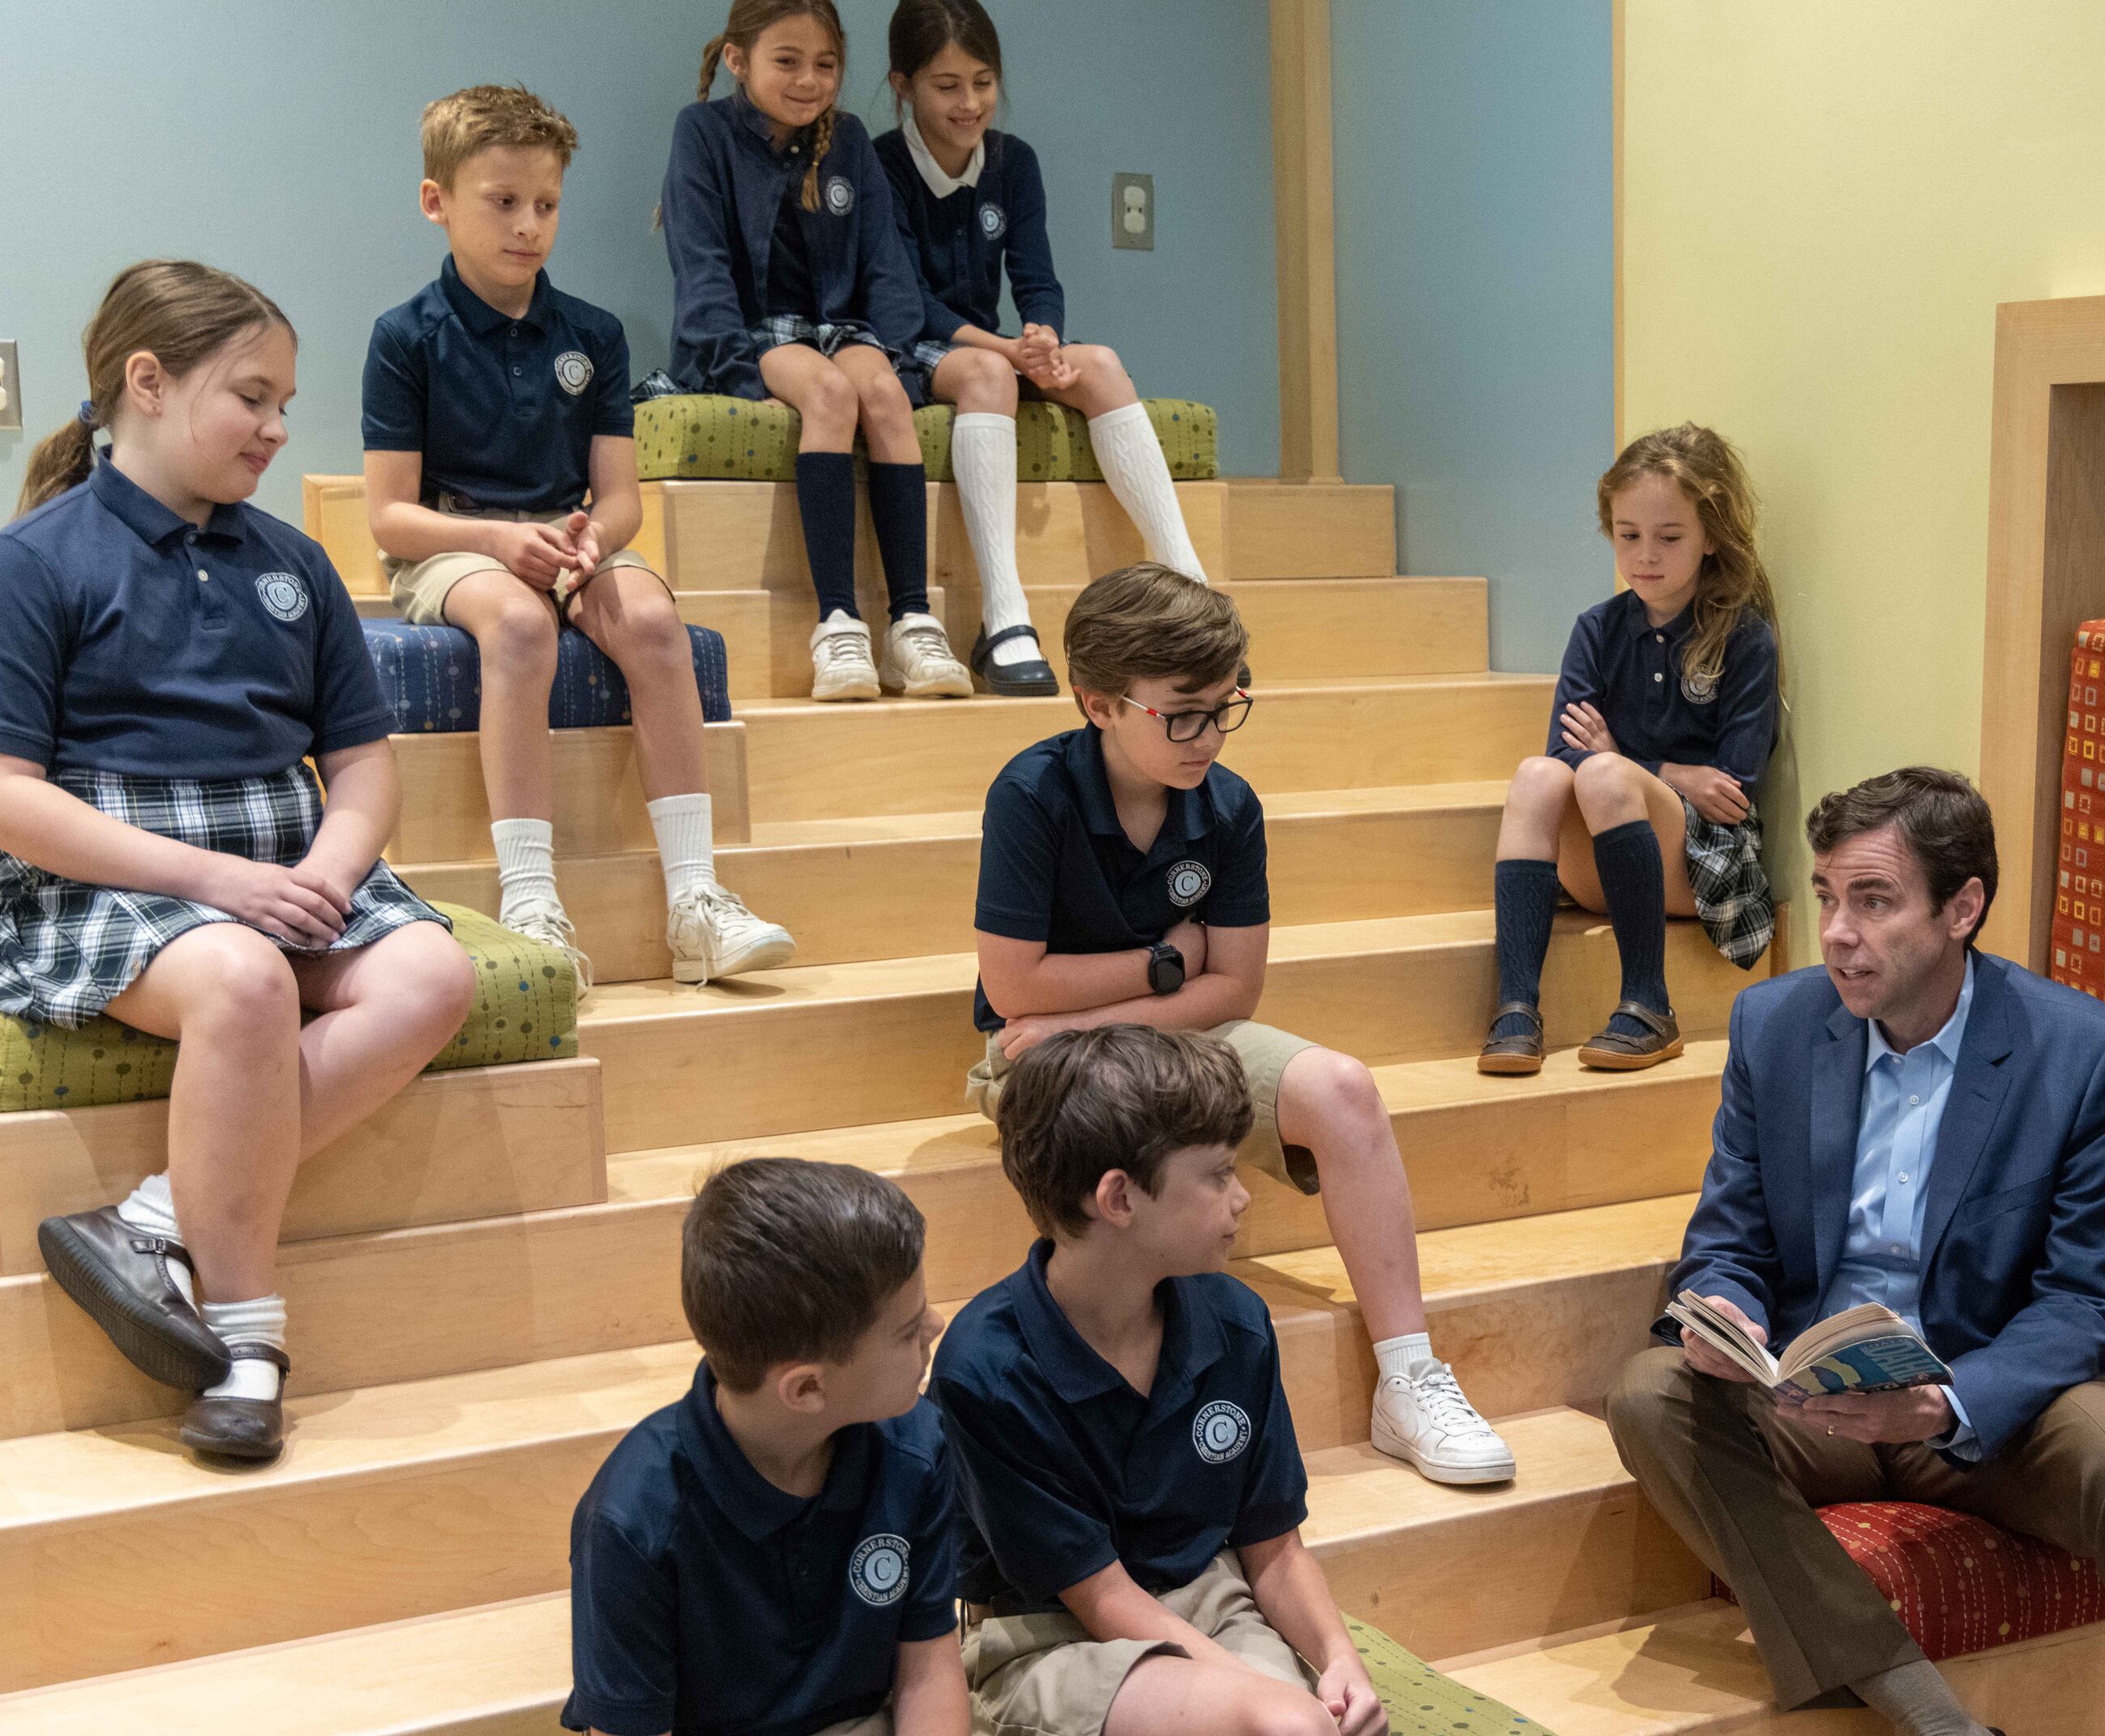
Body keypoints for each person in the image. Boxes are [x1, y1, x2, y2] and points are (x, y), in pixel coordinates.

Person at [0, 260, 478, 1462]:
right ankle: (249, 1338)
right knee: (242, 979)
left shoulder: (294, 563)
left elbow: (363, 765)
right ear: (149, 383)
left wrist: (335, 866)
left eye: (285, 404)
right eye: (251, 398)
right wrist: (213, 883)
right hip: (105, 875)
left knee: (434, 975)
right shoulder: (34, 561)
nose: (278, 429)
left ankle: (153, 1217)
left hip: (283, 857)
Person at [1605, 766, 2105, 1736]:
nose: (1837, 932)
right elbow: (1729, 1237)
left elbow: (2084, 1299)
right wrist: (1728, 1304)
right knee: (1650, 1394)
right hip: (1815, 1397)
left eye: (1874, 901)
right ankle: (1928, 1715)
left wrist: (1947, 1404)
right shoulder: (1775, 1027)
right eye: (1827, 896)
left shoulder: (2079, 1052)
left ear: (1963, 908)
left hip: (1987, 1402)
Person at [968, 563, 1515, 1485]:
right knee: (1141, 1134)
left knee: (1341, 1088)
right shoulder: (1032, 793)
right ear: (1099, 705)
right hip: (1046, 1056)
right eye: (1183, 714)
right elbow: (1015, 982)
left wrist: (1099, 1008)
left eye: (1226, 707)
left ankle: (1408, 1377)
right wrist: (1164, 962)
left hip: (1131, 1030)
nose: (1210, 736)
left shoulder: (1229, 805)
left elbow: (1235, 990)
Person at [363, 84, 792, 993]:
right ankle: (531, 899)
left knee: (655, 621)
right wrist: (499, 541)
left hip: (568, 541)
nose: (529, 225)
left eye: (547, 204)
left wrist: (592, 539)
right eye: (503, 202)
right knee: (520, 627)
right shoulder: (404, 337)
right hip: (453, 545)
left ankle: (697, 900)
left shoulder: (593, 334)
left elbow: (622, 498)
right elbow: (391, 517)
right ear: (438, 201)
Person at [932, 1026, 1386, 1736]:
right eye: (1218, 1174)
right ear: (1118, 1198)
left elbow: (1274, 1549)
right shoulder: (987, 1369)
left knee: (1307, 1722)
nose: (1242, 1197)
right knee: (1280, 1723)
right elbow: (1099, 1597)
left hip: (1210, 1602)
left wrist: (1338, 1658)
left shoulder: (1235, 1322)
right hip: (1047, 1638)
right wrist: (1261, 1700)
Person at [873, 0, 1210, 699]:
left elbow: (1036, 277)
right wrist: (1007, 349)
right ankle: (1004, 618)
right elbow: (908, 303)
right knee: (990, 376)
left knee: (1103, 365)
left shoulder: (1014, 161)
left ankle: (1194, 599)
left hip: (996, 346)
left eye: (984, 82)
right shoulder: (881, 164)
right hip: (913, 346)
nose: (970, 103)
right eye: (947, 86)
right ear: (904, 85)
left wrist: (1043, 335)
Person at [563, 1158, 965, 1736]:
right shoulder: (633, 1520)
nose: (936, 1325)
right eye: (907, 1332)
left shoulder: (916, 1447)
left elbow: (929, 1672)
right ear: (807, 1389)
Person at [659, 0, 969, 702]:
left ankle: (913, 622)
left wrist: (895, 357)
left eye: (826, 65)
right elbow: (700, 266)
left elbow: (886, 265)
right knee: (830, 394)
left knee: (881, 393)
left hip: (838, 328)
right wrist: (739, 375)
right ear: (738, 62)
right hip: (750, 333)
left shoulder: (848, 139)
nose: (809, 81)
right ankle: (838, 624)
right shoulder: (702, 132)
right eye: (787, 62)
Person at [1483, 424, 1778, 1078]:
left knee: (1604, 776)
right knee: (1536, 775)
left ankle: (1650, 1003)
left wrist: (1622, 761)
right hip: (1606, 858)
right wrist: (1669, 771)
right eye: (1628, 535)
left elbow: (1732, 788)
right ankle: (1516, 1008)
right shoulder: (1597, 628)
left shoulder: (1743, 636)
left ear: (1710, 537)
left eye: (1669, 538)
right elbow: (1564, 751)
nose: (1645, 555)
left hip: (1704, 868)